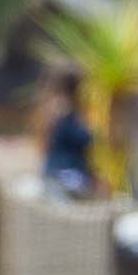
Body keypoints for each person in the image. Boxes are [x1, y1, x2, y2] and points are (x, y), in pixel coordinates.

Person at [35, 69, 96, 199]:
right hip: (67, 174)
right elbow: (84, 138)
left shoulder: (51, 109)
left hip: (53, 172)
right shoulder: (66, 111)